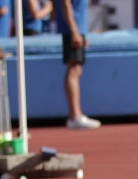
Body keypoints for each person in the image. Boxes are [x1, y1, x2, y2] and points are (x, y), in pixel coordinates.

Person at [55, 0, 101, 129]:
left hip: (77, 28)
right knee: (73, 69)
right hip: (72, 29)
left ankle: (75, 115)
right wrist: (74, 30)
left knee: (77, 69)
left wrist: (82, 33)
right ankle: (74, 115)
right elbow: (65, 4)